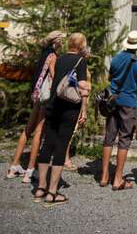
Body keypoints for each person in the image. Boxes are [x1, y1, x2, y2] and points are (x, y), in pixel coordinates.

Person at [34, 33, 90, 207]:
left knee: (47, 144)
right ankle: (52, 192)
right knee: (61, 147)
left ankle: (40, 189)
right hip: (69, 109)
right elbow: (82, 88)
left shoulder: (58, 58)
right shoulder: (81, 61)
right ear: (81, 45)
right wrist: (84, 110)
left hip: (53, 105)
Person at [6, 30, 64, 182]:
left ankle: (14, 167)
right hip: (45, 98)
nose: (62, 43)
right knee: (39, 132)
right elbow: (54, 77)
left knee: (27, 130)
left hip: (36, 96)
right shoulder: (53, 56)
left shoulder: (43, 54)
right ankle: (30, 170)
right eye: (61, 40)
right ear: (56, 42)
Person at [100, 30, 137, 190]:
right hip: (128, 102)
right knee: (124, 139)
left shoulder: (116, 58)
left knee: (109, 137)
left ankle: (104, 176)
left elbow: (110, 79)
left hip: (113, 101)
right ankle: (118, 179)